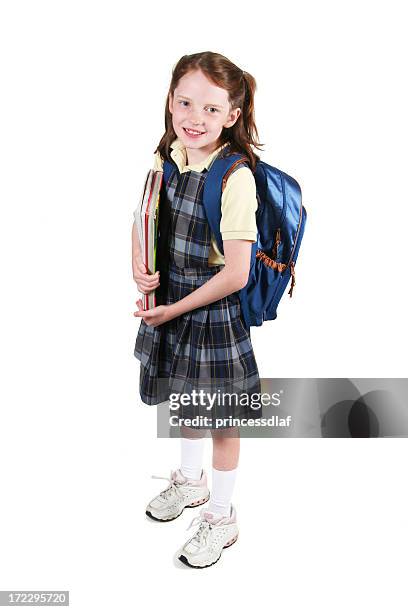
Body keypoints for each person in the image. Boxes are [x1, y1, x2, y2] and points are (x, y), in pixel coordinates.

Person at [132, 51, 263, 568]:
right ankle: (190, 481)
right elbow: (143, 221)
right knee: (186, 402)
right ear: (169, 102)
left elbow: (236, 273)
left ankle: (223, 515)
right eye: (185, 102)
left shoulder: (235, 177)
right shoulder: (168, 160)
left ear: (232, 115)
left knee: (223, 420)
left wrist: (174, 309)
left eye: (211, 109)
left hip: (212, 314)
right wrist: (141, 269)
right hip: (173, 303)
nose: (194, 117)